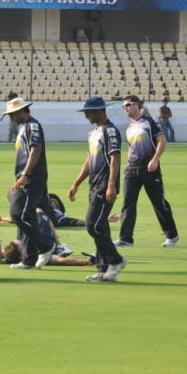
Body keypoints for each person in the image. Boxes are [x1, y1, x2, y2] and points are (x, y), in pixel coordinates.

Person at [68, 96, 127, 282]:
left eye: (89, 113)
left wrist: (111, 185)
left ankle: (116, 260)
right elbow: (89, 160)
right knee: (99, 226)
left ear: (100, 111)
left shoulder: (109, 131)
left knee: (93, 224)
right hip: (94, 184)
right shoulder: (93, 133)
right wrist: (76, 183)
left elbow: (115, 158)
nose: (86, 116)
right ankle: (103, 269)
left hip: (105, 185)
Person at [115, 95, 180, 248]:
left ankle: (172, 235)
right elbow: (131, 147)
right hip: (132, 169)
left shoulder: (149, 122)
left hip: (150, 169)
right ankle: (126, 238)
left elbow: (162, 141)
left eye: (128, 105)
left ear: (137, 105)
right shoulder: (129, 127)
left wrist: (155, 159)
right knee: (128, 203)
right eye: (123, 106)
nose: (125, 108)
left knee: (158, 202)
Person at [0, 96, 56, 268]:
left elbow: (36, 149)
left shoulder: (32, 126)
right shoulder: (23, 127)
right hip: (26, 176)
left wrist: (25, 173)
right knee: (28, 214)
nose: (11, 118)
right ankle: (29, 259)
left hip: (32, 177)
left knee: (18, 214)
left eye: (12, 114)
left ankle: (45, 246)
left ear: (21, 111)